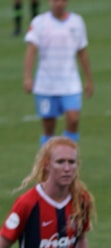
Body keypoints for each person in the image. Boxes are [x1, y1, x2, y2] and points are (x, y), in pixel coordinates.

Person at [23, 0, 93, 145]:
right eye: (55, 0)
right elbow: (31, 51)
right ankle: (47, 162)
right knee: (49, 126)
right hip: (46, 84)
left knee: (73, 119)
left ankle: (68, 156)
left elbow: (82, 52)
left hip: (70, 82)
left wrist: (88, 79)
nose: (58, 4)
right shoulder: (39, 22)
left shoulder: (77, 22)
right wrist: (28, 77)